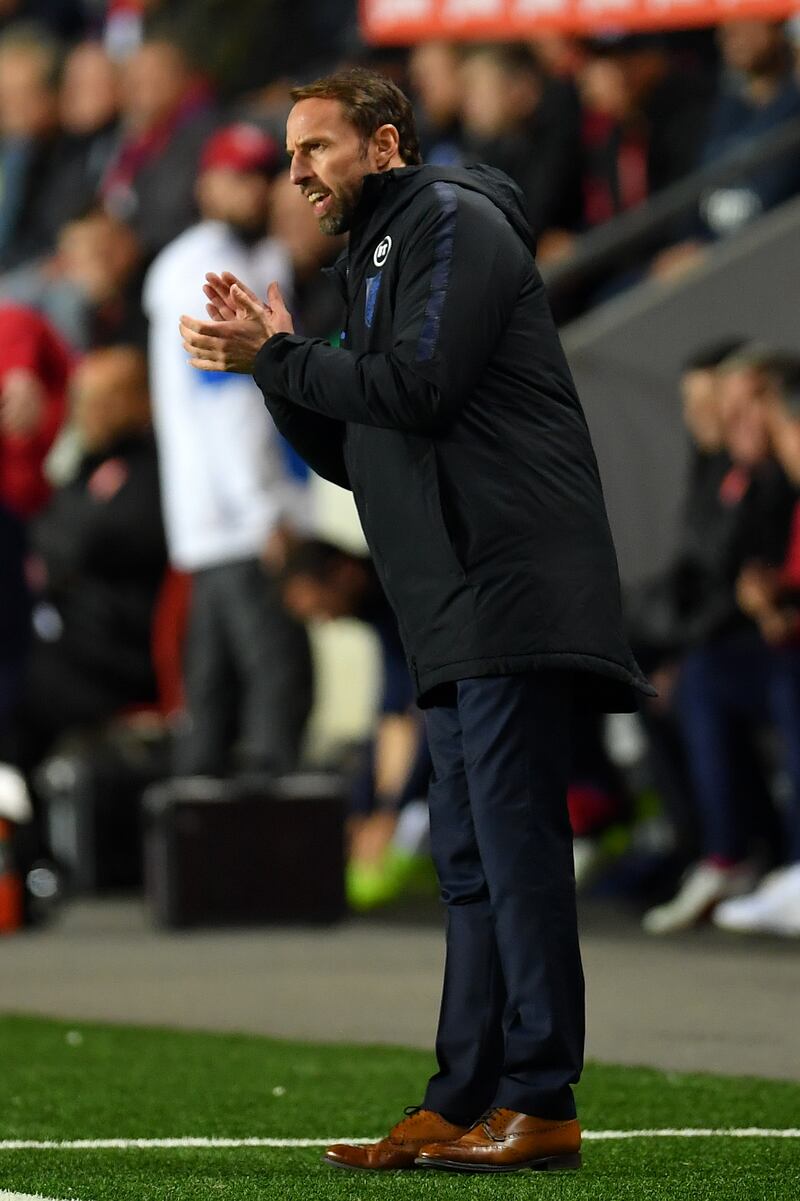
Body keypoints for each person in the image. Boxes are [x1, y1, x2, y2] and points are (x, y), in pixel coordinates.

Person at [179, 67, 651, 1174]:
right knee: (469, 860)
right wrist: (281, 375)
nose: (294, 173)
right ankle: (464, 1095)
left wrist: (286, 358)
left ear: (384, 146)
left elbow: (421, 386)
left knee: (513, 847)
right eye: (288, 155)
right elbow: (368, 453)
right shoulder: (380, 258)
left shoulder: (445, 219)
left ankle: (539, 1101)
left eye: (315, 149)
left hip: (503, 587)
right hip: (447, 600)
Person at [145, 122, 313, 779]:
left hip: (216, 516)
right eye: (237, 176)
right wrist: (264, 507)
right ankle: (267, 845)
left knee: (211, 691)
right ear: (206, 184)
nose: (252, 189)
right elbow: (227, 399)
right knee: (278, 673)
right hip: (239, 516)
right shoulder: (207, 268)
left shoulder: (246, 255)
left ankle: (201, 850)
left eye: (259, 174)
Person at [642, 346, 797, 934]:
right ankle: (728, 852)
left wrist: (772, 601)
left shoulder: (773, 480)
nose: (734, 425)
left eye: (744, 409)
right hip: (748, 643)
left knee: (741, 679)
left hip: (770, 651)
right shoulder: (732, 476)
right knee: (690, 678)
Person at [280, 537, 432, 910]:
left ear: (344, 574)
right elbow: (390, 712)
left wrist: (388, 814)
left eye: (321, 608)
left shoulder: (409, 597)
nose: (327, 621)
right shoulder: (386, 616)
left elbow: (434, 710)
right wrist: (363, 810)